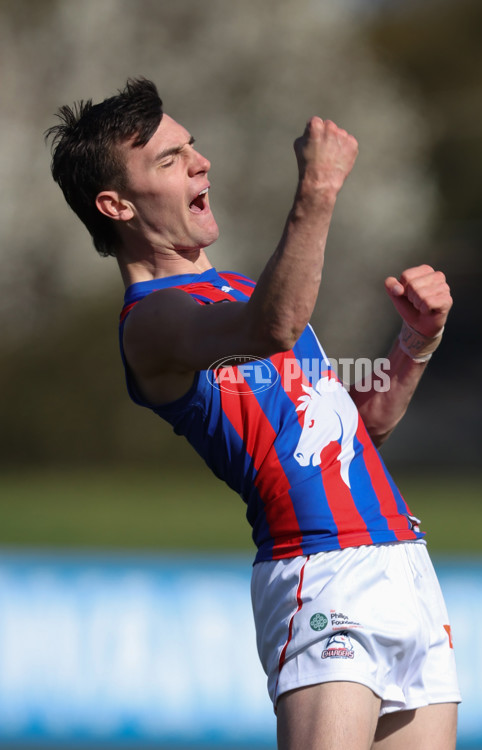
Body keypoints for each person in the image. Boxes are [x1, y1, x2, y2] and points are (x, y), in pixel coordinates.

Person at [47, 78, 460, 750]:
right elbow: (274, 325)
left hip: (403, 564)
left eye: (192, 148)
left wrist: (415, 343)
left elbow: (359, 430)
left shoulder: (239, 290)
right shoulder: (152, 320)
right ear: (115, 204)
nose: (199, 163)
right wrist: (318, 192)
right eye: (169, 160)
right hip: (319, 569)